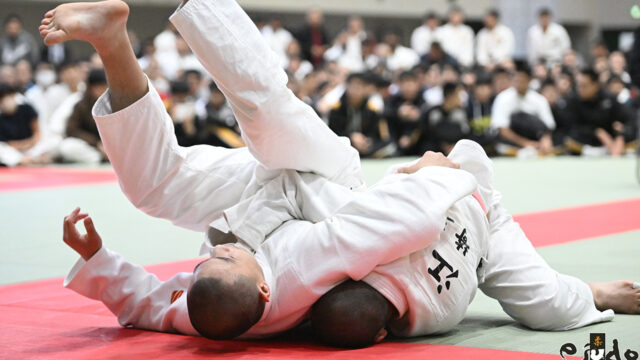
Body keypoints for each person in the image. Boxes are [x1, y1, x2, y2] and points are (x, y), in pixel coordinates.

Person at [44, 0, 639, 345]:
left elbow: (151, 304)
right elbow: (403, 217)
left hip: (268, 193)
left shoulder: (213, 303)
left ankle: (113, 42)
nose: (208, 256)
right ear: (261, 289)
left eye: (208, 263)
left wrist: (100, 262)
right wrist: (450, 171)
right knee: (268, 116)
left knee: (157, 184)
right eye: (224, 261)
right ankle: (599, 292)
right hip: (331, 180)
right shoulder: (313, 263)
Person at [309, 139, 639, 348]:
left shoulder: (354, 251)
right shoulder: (436, 315)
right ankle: (593, 292)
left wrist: (420, 171)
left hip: (459, 190)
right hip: (485, 236)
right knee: (549, 308)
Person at [565, 69, 636, 156]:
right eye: (578, 85)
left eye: (584, 86)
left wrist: (621, 136)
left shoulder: (609, 99)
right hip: (585, 147)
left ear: (595, 85)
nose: (580, 89)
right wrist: (597, 132)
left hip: (612, 145)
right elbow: (571, 128)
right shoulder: (572, 101)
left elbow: (629, 119)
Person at [490, 64, 555, 156]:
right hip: (512, 143)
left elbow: (548, 125)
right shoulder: (502, 98)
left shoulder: (539, 99)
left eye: (521, 80)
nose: (518, 83)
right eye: (516, 80)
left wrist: (545, 140)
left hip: (535, 141)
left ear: (529, 80)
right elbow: (502, 129)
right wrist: (525, 143)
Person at [328, 73, 395, 158]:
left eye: (360, 86)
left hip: (365, 148)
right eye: (354, 86)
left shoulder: (371, 108)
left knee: (389, 147)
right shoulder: (336, 108)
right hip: (343, 147)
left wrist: (367, 141)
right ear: (347, 86)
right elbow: (332, 133)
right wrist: (351, 138)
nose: (356, 90)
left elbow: (377, 134)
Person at [59, 68, 109, 163]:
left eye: (103, 87)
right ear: (90, 88)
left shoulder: (114, 103)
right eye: (97, 87)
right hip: (92, 148)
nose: (100, 91)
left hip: (112, 147)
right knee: (67, 146)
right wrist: (96, 143)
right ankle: (99, 159)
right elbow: (71, 130)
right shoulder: (81, 105)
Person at [0, 83, 45, 166]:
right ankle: (22, 160)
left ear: (14, 95)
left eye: (8, 97)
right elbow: (5, 143)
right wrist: (23, 145)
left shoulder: (27, 109)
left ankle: (32, 158)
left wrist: (31, 144)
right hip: (13, 150)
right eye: (2, 100)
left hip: (32, 146)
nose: (5, 102)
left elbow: (37, 132)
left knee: (51, 142)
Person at [384, 70, 427, 156]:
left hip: (417, 141)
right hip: (396, 138)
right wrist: (399, 113)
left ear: (417, 85)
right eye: (405, 84)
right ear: (399, 85)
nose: (408, 87)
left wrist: (418, 115)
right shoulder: (393, 101)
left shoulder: (423, 101)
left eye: (411, 83)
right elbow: (384, 114)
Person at [424, 82, 470, 154]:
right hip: (437, 149)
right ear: (449, 96)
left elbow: (466, 133)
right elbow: (430, 134)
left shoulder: (461, 112)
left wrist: (455, 146)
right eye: (457, 95)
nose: (460, 99)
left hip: (457, 149)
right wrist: (443, 146)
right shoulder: (434, 113)